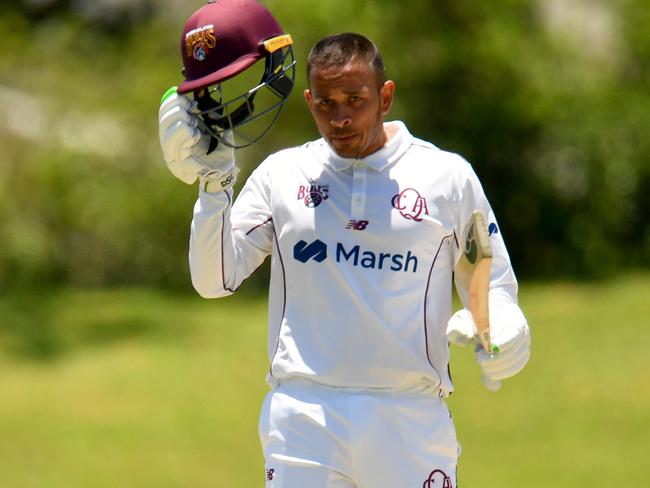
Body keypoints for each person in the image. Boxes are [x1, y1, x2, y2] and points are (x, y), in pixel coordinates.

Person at [159, 25, 531, 488]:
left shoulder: (447, 177)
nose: (340, 118)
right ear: (310, 101)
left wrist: (504, 327)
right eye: (326, 103)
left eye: (355, 100)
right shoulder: (282, 174)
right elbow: (214, 280)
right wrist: (214, 189)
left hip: (408, 417)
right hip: (303, 418)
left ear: (386, 96)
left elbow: (490, 280)